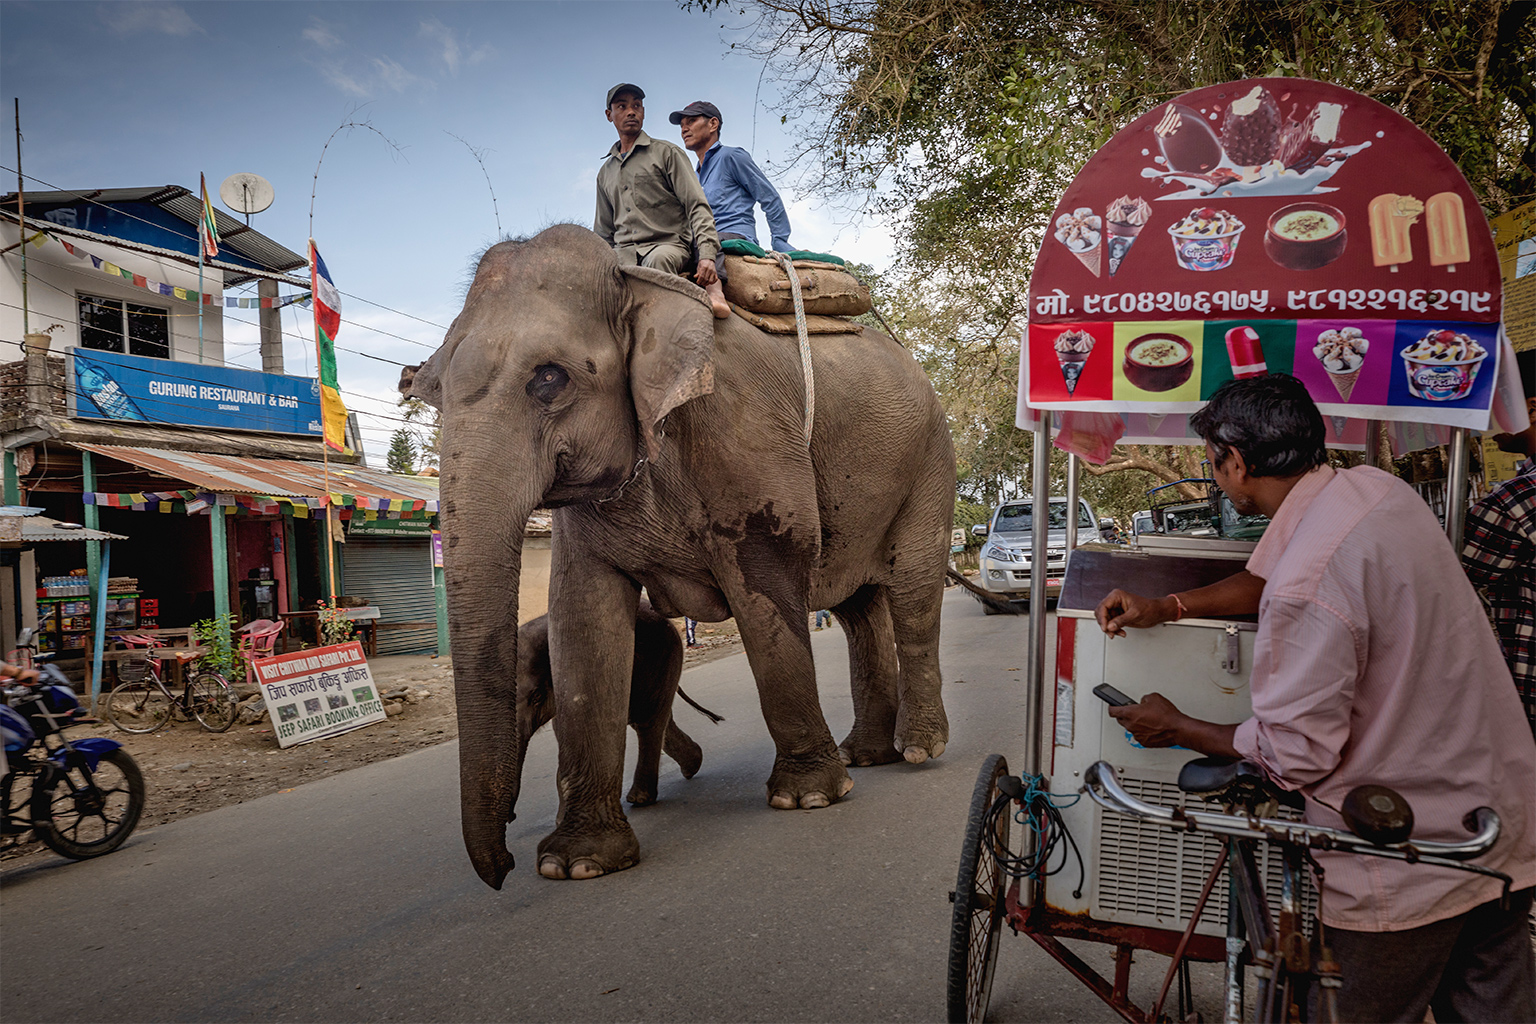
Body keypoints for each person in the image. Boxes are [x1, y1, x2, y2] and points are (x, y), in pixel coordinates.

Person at [1092, 375, 1535, 1023]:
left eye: (1215, 463)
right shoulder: (1374, 493)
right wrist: (1168, 607)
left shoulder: (1309, 584)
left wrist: (1176, 725)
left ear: (1236, 464)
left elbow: (1291, 756)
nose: (1217, 476)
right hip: (1498, 824)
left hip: (1410, 858)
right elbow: (1266, 575)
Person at [594, 83, 729, 318]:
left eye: (637, 106)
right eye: (622, 106)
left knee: (656, 264)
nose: (631, 112)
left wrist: (707, 254)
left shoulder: (667, 153)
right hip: (622, 255)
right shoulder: (605, 173)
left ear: (643, 111)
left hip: (667, 248)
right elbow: (603, 233)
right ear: (609, 115)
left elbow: (697, 206)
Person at [671, 100, 793, 317]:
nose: (684, 129)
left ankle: (715, 292)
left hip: (732, 233)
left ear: (713, 124)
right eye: (681, 125)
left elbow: (769, 197)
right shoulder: (693, 175)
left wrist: (780, 239)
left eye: (691, 121)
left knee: (705, 239)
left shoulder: (731, 156)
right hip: (700, 236)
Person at [1462, 388, 1536, 735]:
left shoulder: (1513, 502)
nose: (1489, 422)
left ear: (1531, 408)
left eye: (1497, 406)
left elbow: (1451, 579)